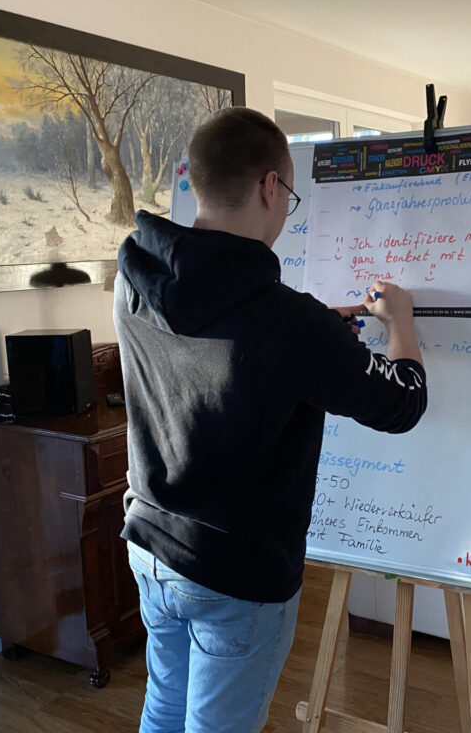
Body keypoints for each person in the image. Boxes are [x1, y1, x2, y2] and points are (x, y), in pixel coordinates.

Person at [113, 107, 427, 733]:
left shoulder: (132, 278)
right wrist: (403, 325)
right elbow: (403, 403)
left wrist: (316, 344)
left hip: (149, 545)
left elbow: (216, 353)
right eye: (289, 195)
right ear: (269, 187)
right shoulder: (291, 323)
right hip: (235, 574)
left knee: (163, 708)